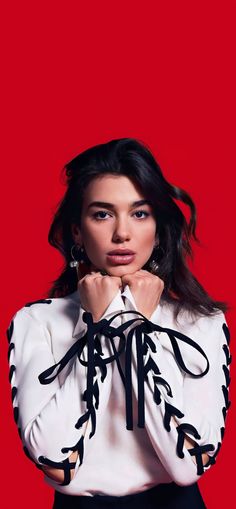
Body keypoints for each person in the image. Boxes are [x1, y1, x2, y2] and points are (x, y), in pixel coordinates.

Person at [7, 138, 232, 509]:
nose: (122, 233)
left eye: (140, 214)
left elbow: (188, 467)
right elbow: (56, 462)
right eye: (102, 214)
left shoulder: (201, 323)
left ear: (159, 229)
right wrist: (101, 327)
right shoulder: (37, 322)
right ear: (77, 231)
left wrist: (137, 329)